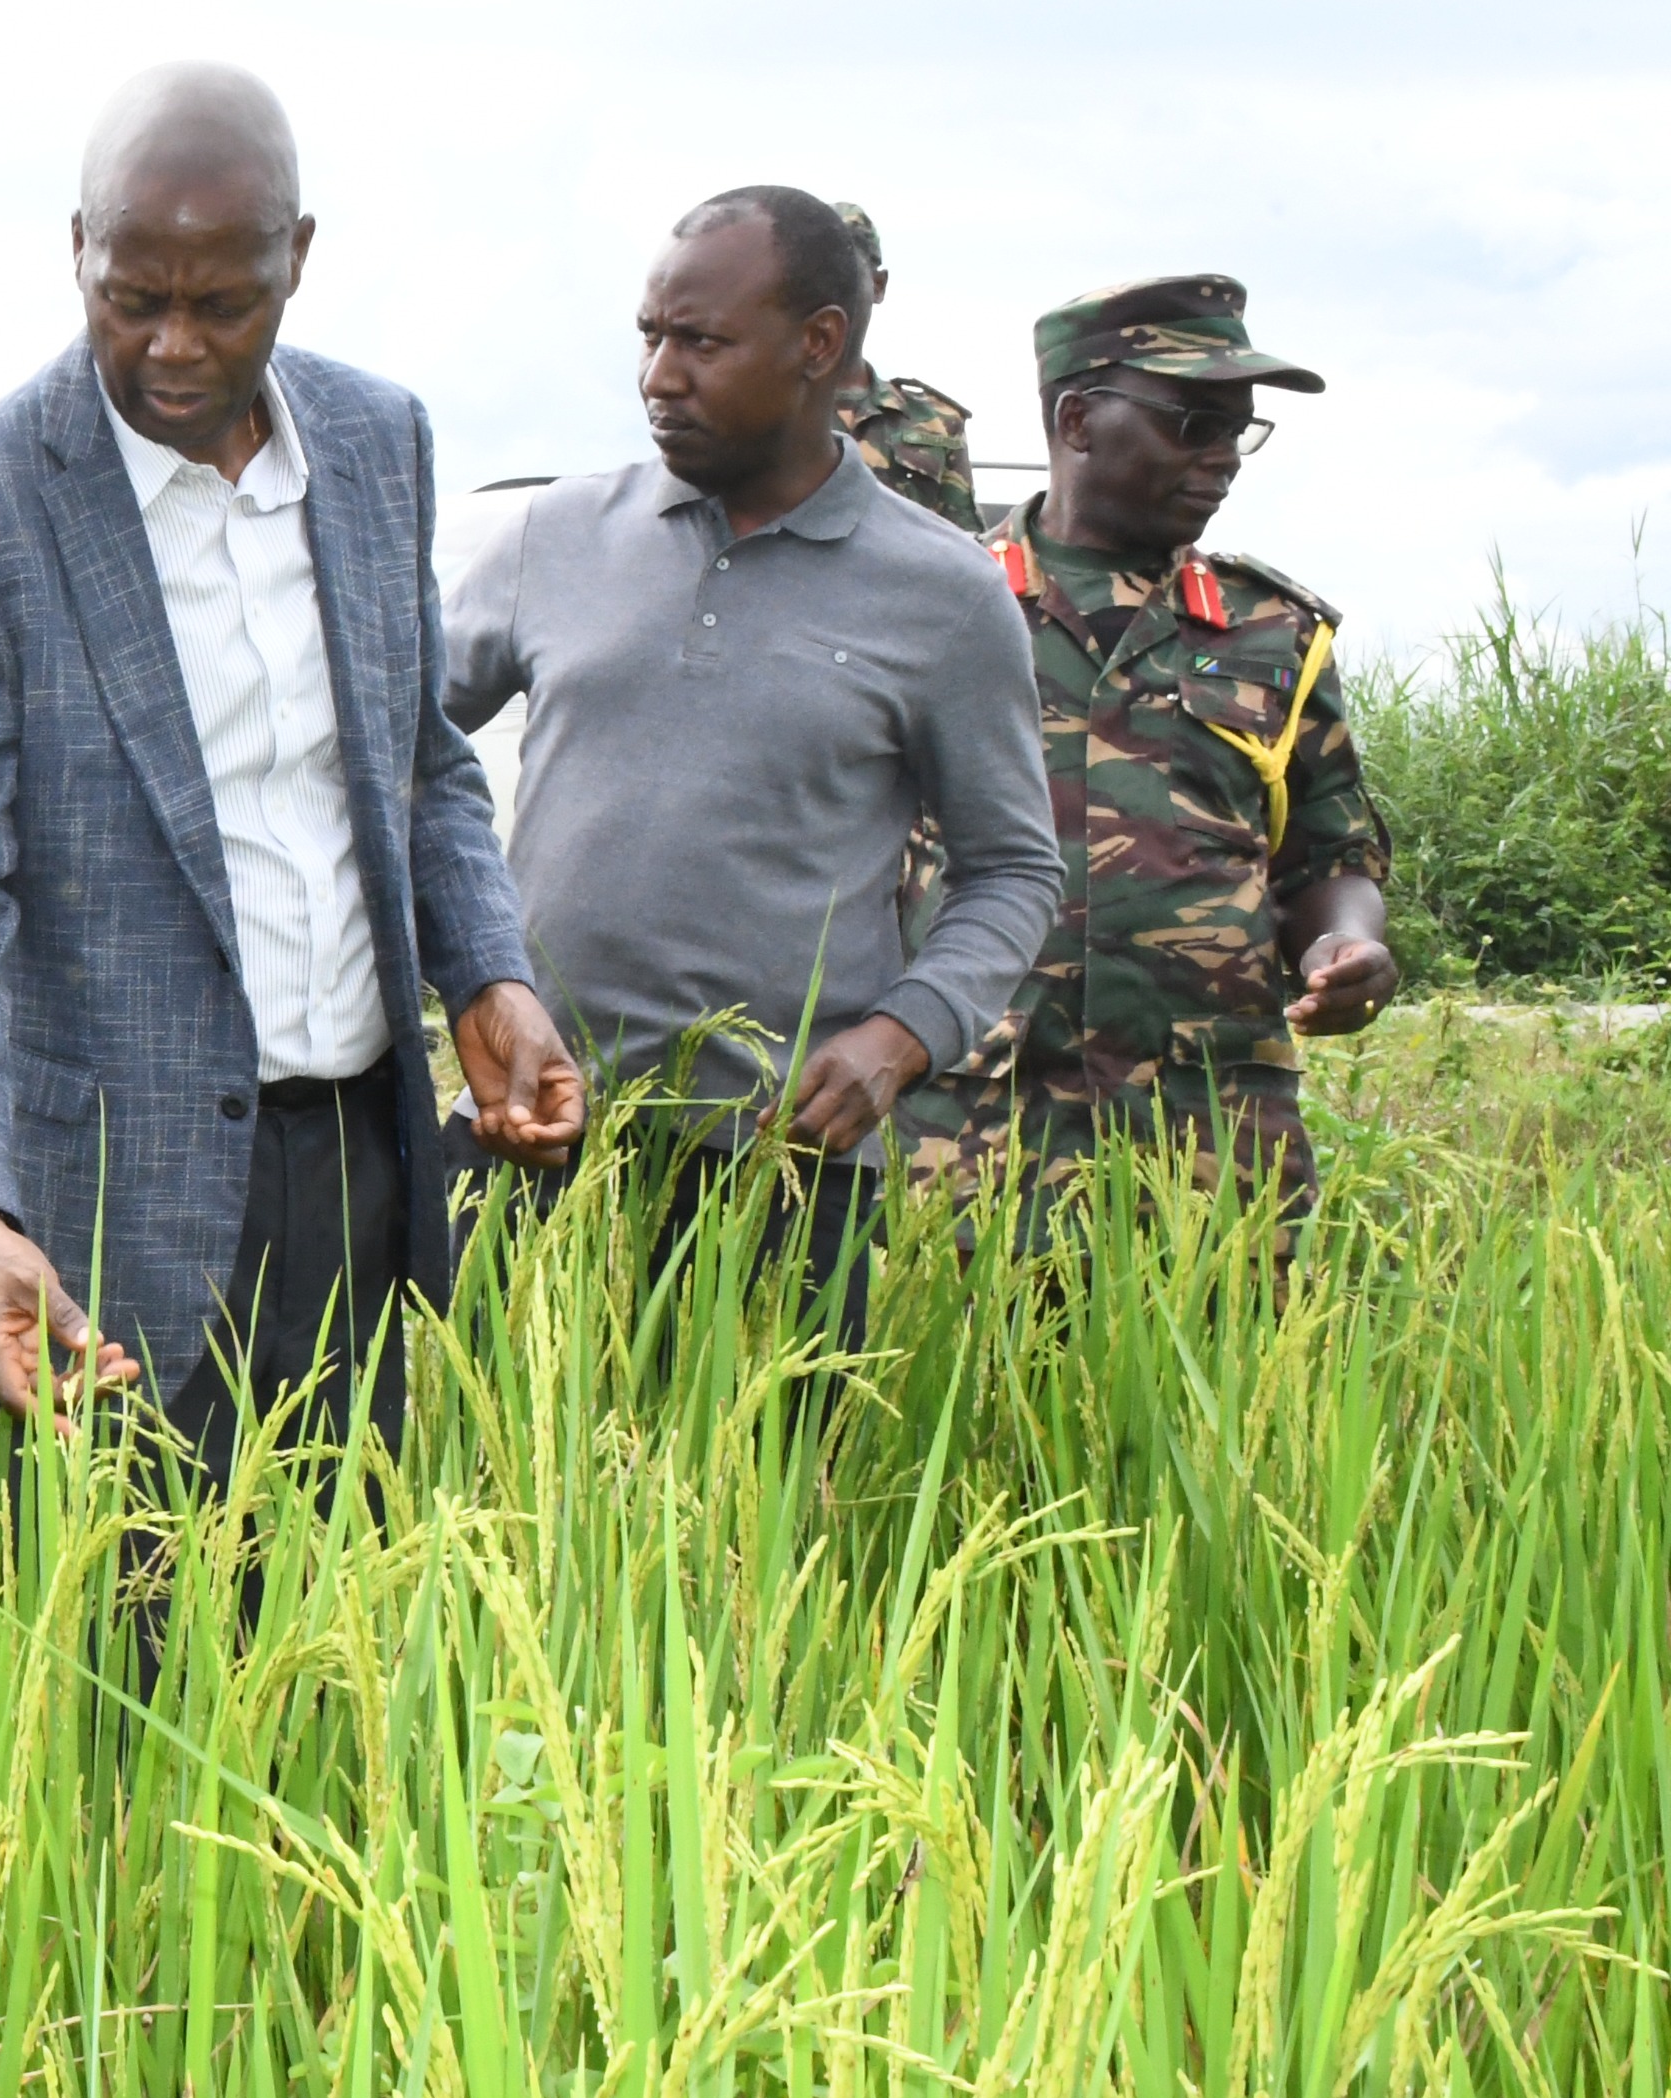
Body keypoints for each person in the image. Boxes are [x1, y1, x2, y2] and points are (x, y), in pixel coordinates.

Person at [0, 62, 585, 1494]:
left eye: (223, 303)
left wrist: (489, 973)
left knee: (334, 1630)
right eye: (132, 297)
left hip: (362, 1170)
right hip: (108, 1223)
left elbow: (424, 762)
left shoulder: (379, 446)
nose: (171, 346)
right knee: (116, 1665)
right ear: (78, 249)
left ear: (298, 259)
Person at [443, 186, 1060, 1343]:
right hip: (530, 1138)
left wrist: (902, 1034)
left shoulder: (942, 595)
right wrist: (467, 970)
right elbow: (397, 758)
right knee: (486, 1494)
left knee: (750, 1509)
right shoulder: (554, 537)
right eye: (649, 335)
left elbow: (1014, 869)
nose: (657, 376)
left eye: (702, 342)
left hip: (779, 1168)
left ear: (819, 345)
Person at [901, 277, 1393, 1217]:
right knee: (957, 1367)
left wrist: (1347, 945)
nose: (1223, 459)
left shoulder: (1271, 632)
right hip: (966, 1130)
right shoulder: (931, 604)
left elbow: (1326, 856)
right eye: (1192, 424)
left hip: (1212, 1141)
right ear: (1079, 419)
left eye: (1237, 431)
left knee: (1225, 1368)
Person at [828, 202, 981, 529]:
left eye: (845, 276)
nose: (828, 294)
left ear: (878, 286)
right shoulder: (763, 413)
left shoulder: (937, 421)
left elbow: (962, 548)